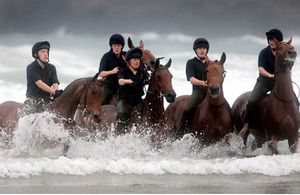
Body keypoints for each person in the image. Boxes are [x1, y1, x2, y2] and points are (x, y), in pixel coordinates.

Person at [239, 28, 299, 136]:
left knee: (295, 100)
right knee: (252, 101)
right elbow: (260, 69)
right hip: (265, 81)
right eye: (270, 40)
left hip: (279, 83)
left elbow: (289, 66)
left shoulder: (284, 53)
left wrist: (289, 71)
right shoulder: (264, 53)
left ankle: (295, 127)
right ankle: (246, 124)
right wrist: (270, 75)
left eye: (273, 40)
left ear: (279, 41)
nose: (271, 42)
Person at [175, 38, 210, 139]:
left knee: (227, 109)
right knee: (187, 109)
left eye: (204, 48)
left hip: (211, 91)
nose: (202, 50)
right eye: (199, 48)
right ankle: (180, 133)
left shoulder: (211, 63)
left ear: (207, 50)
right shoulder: (191, 62)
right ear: (195, 50)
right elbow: (191, 79)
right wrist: (202, 83)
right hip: (199, 91)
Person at [115, 48, 150, 135]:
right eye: (134, 59)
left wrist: (149, 80)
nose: (137, 61)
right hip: (125, 100)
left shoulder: (142, 72)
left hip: (138, 100)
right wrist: (126, 81)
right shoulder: (123, 71)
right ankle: (118, 133)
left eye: (138, 59)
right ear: (129, 61)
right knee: (122, 113)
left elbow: (149, 78)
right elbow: (120, 81)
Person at [25, 41, 61, 113]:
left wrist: (56, 91)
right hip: (33, 98)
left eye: (47, 52)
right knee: (32, 117)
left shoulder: (51, 67)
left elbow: (55, 83)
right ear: (35, 54)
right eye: (42, 52)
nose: (45, 54)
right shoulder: (31, 67)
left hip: (47, 98)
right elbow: (39, 83)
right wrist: (53, 91)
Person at [98, 33, 128, 105]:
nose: (116, 48)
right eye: (114, 46)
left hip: (123, 85)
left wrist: (127, 62)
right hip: (110, 85)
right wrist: (112, 71)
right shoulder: (106, 56)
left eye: (118, 46)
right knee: (103, 100)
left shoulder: (126, 55)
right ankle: (93, 115)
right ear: (111, 46)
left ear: (122, 46)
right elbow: (101, 73)